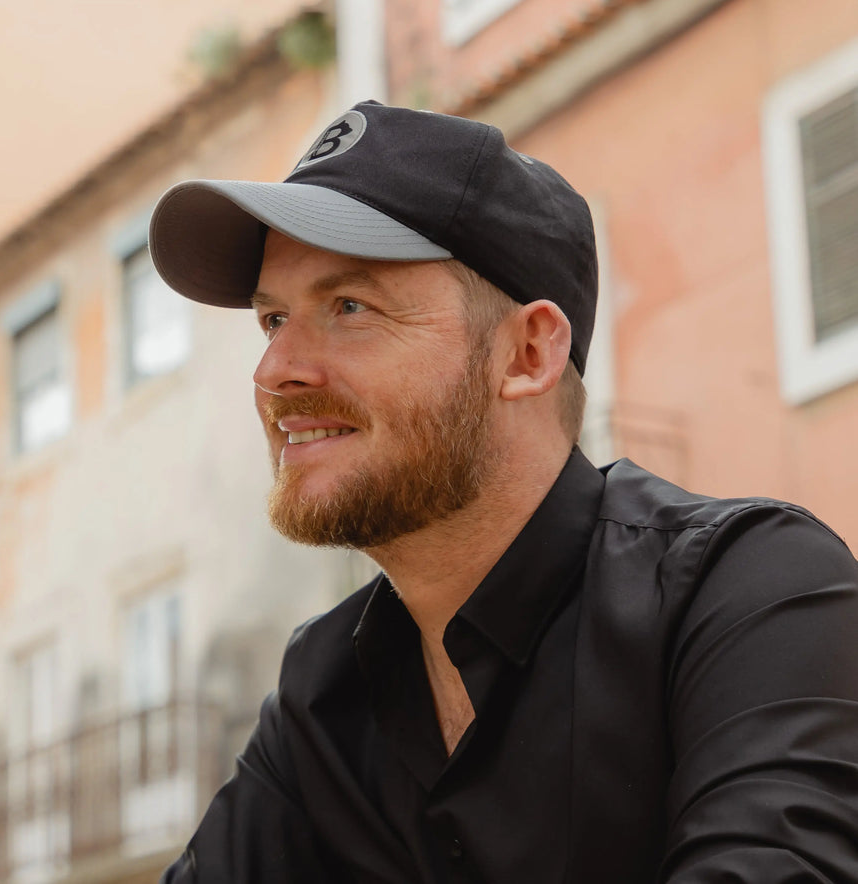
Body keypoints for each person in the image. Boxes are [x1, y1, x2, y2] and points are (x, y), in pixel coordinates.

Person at [148, 101, 858, 883]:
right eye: (273, 318)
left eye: (349, 307)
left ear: (525, 353)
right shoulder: (321, 695)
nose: (273, 370)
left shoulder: (749, 593)